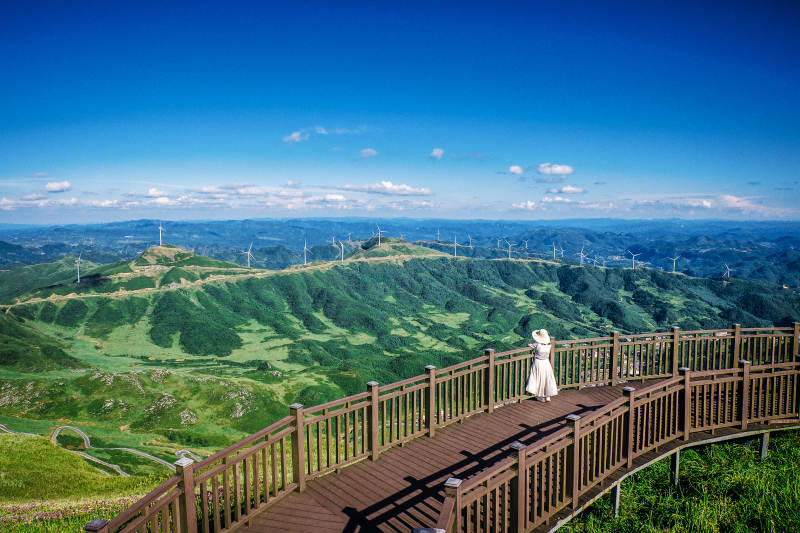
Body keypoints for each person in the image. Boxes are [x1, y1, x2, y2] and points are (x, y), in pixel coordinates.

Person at [525, 328, 558, 402]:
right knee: (546, 379)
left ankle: (540, 396)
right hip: (546, 363)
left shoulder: (537, 345)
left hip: (538, 362)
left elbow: (529, 345)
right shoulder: (549, 345)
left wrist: (529, 344)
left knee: (538, 378)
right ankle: (547, 396)